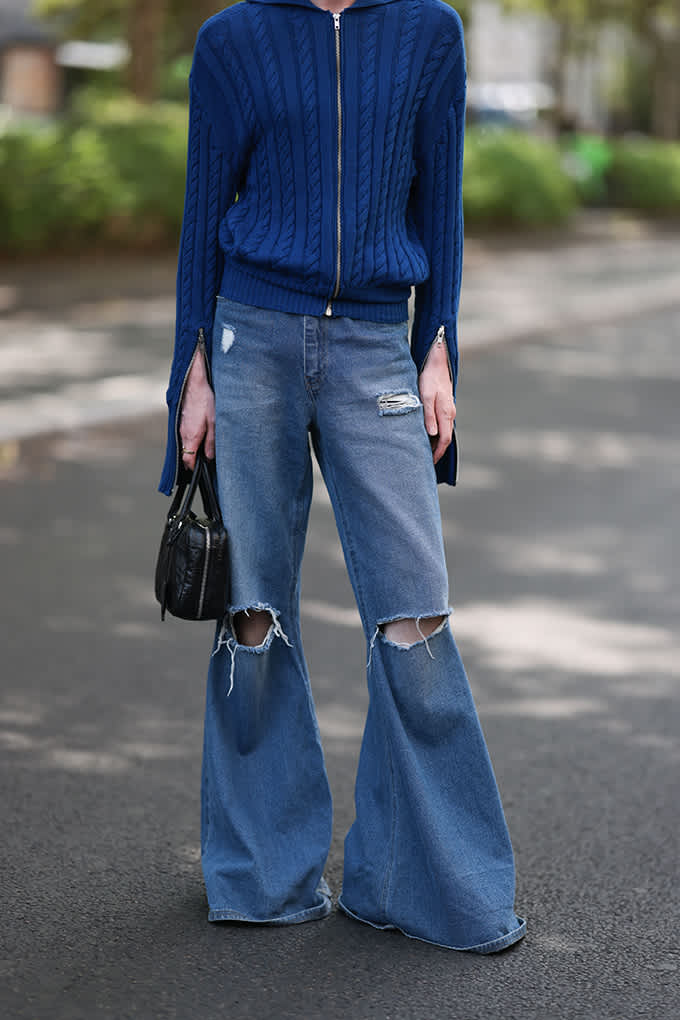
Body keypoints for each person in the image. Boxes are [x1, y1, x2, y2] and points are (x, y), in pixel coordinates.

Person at [159, 0, 526, 953]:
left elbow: (436, 203)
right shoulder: (233, 38)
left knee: (416, 611)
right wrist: (189, 374)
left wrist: (438, 346)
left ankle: (425, 885)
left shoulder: (428, 31)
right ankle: (261, 877)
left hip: (374, 346)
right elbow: (205, 214)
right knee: (255, 613)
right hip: (252, 340)